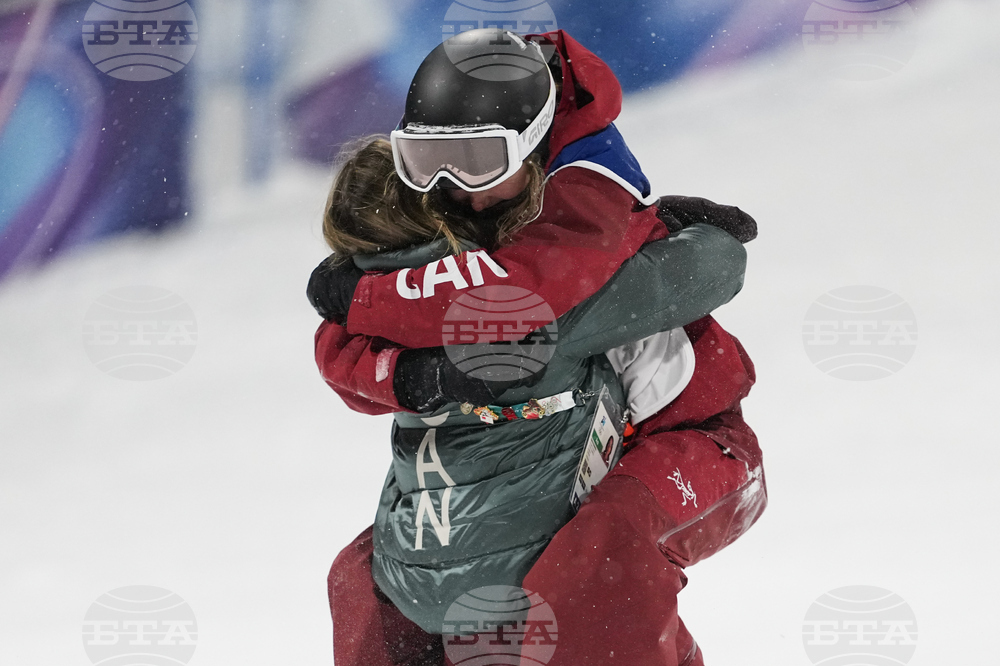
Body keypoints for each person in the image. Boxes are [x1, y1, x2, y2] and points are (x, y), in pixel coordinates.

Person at [313, 138, 764, 666]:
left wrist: (648, 223)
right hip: (573, 459)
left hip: (695, 442)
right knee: (386, 571)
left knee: (602, 547)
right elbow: (709, 263)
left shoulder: (501, 297)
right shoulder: (434, 302)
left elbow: (686, 273)